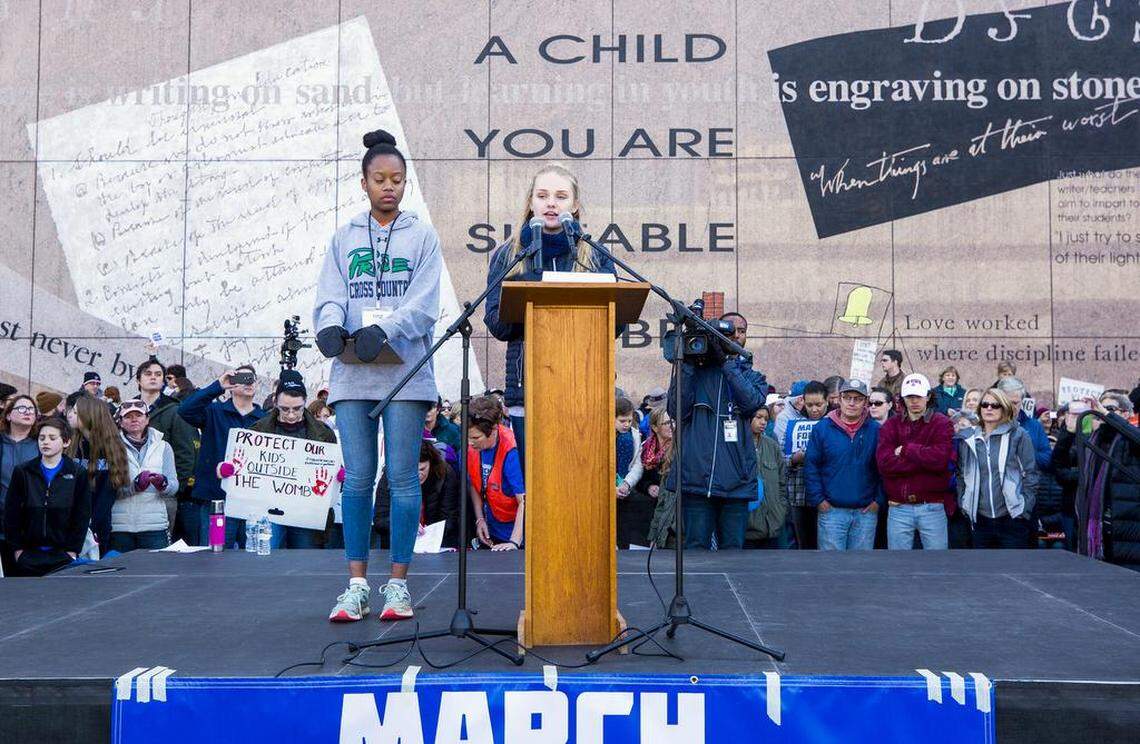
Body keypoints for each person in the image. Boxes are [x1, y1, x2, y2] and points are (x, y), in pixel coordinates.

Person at [313, 129, 442, 623]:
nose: (389, 187)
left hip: (404, 371)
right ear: (363, 183)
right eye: (379, 179)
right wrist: (328, 326)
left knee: (404, 477)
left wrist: (385, 329)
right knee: (358, 478)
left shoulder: (422, 236)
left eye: (397, 180)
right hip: (352, 372)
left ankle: (398, 586)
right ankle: (356, 584)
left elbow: (424, 304)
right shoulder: (345, 236)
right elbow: (330, 293)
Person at [483, 163, 617, 463]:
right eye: (543, 196)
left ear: (575, 204)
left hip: (583, 388)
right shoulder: (508, 255)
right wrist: (524, 294)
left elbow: (614, 320)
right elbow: (495, 322)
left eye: (561, 196)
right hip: (527, 389)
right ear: (531, 203)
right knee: (535, 485)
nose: (551, 203)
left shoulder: (595, 256)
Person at [666, 330, 768, 550]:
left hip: (736, 481)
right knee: (695, 552)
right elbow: (676, 410)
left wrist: (727, 363)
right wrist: (688, 365)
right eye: (728, 332)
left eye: (742, 331)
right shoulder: (695, 373)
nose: (735, 336)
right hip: (696, 479)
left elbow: (751, 402)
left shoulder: (753, 377)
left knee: (733, 553)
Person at [178, 364, 269, 548]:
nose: (248, 383)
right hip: (217, 500)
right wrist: (218, 386)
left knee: (254, 560)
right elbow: (185, 410)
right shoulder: (213, 412)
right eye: (242, 379)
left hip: (253, 504)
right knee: (214, 557)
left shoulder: (265, 419)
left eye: (251, 379)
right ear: (231, 384)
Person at [243, 371, 338, 548]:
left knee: (304, 563)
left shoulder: (324, 433)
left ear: (305, 403)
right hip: (268, 510)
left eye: (297, 409)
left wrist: (337, 474)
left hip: (307, 513)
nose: (292, 414)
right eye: (285, 409)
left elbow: (332, 471)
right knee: (265, 558)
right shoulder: (257, 430)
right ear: (275, 403)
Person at [875, 374, 955, 550]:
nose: (914, 401)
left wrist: (905, 450)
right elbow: (884, 464)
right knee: (899, 566)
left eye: (918, 396)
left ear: (928, 396)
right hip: (898, 507)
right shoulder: (891, 425)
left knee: (937, 564)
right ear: (903, 398)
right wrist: (923, 459)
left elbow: (940, 460)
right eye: (910, 397)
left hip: (932, 506)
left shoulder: (942, 423)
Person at [3, 417, 91, 576]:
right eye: (41, 438)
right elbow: (12, 513)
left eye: (52, 438)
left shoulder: (78, 473)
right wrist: (17, 550)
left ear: (66, 442)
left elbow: (82, 515)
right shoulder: (23, 471)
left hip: (62, 555)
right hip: (27, 555)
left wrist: (72, 550)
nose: (45, 442)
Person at [804, 379, 883, 551]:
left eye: (858, 398)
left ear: (866, 402)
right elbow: (811, 467)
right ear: (839, 399)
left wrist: (878, 500)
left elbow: (884, 469)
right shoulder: (822, 428)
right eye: (847, 397)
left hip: (866, 513)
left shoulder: (876, 430)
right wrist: (819, 500)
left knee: (861, 570)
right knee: (831, 569)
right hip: (832, 512)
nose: (852, 403)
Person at [955, 388, 1038, 548]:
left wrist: (1023, 508)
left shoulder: (1019, 435)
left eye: (995, 405)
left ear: (1004, 408)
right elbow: (961, 473)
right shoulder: (969, 438)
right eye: (985, 404)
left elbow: (1031, 474)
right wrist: (964, 502)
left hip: (1012, 519)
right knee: (983, 571)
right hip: (979, 520)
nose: (989, 409)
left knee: (1013, 570)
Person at [135, 355, 200, 544]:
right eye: (148, 374)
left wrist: (174, 487)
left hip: (163, 493)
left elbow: (186, 454)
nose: (153, 377)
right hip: (132, 492)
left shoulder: (175, 410)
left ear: (164, 380)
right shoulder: (128, 410)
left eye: (158, 374)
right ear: (138, 380)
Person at [67, 393, 130, 555]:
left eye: (75, 411)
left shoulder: (110, 448)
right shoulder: (73, 443)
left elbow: (106, 496)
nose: (69, 414)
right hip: (69, 522)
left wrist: (90, 525)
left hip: (95, 527)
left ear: (88, 415)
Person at [111, 399, 178, 552]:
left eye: (139, 415)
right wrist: (134, 486)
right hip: (120, 527)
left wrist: (164, 484)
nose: (134, 419)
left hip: (154, 526)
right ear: (120, 422)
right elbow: (108, 489)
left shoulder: (164, 447)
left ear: (147, 419)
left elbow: (174, 486)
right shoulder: (111, 447)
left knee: (155, 573)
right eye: (128, 416)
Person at [376, 439, 461, 550]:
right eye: (412, 470)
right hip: (397, 545)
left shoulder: (445, 474)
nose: (417, 475)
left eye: (422, 469)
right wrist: (403, 523)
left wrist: (429, 533)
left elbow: (450, 518)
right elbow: (380, 521)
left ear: (431, 463)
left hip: (435, 545)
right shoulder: (390, 476)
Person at [466, 395, 525, 550]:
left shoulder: (512, 451)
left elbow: (524, 501)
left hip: (516, 535)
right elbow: (474, 482)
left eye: (476, 438)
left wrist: (514, 542)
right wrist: (480, 519)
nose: (470, 443)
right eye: (468, 437)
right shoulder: (472, 447)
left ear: (493, 430)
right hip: (492, 532)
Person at [784, 381, 828, 549]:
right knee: (802, 545)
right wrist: (795, 458)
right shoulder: (794, 424)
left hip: (825, 495)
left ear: (827, 402)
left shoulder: (833, 425)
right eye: (810, 405)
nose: (814, 409)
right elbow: (782, 459)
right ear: (803, 402)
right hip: (798, 495)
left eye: (818, 404)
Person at [0, 394, 40, 569]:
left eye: (31, 409)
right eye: (22, 408)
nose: (28, 412)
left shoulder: (40, 444)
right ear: (8, 415)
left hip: (31, 524)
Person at [746, 406, 789, 548]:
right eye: (758, 417)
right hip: (747, 527)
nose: (763, 422)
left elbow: (782, 482)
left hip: (773, 524)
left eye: (765, 418)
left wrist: (780, 509)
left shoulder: (772, 445)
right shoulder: (738, 445)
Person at [994, 377, 1051, 473]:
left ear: (1022, 401)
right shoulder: (990, 424)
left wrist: (1026, 452)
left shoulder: (1034, 425)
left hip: (1028, 483)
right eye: (1007, 402)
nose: (1011, 407)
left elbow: (1047, 460)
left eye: (1015, 403)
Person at [635, 406, 674, 546]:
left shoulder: (678, 447)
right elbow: (640, 477)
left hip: (670, 505)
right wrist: (649, 487)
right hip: (651, 504)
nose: (672, 426)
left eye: (673, 422)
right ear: (655, 427)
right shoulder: (647, 447)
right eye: (666, 423)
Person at [615, 397, 648, 548]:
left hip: (625, 486)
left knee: (624, 527)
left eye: (629, 420)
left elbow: (637, 464)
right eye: (622, 421)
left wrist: (627, 484)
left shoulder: (635, 435)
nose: (627, 424)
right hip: (607, 488)